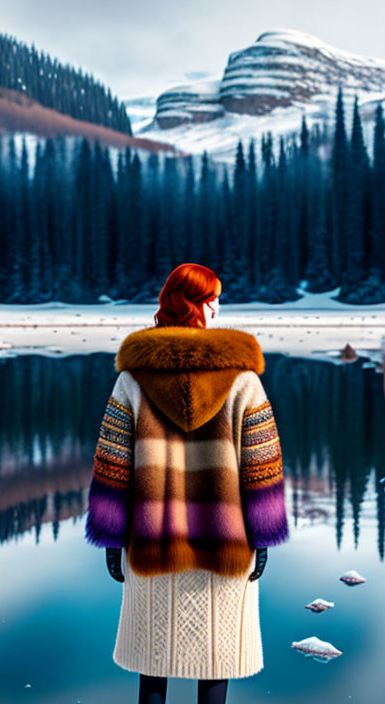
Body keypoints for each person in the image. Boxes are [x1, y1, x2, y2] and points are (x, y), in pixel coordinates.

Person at [85, 263, 289, 704]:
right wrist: (264, 534)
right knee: (215, 668)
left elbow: (112, 467)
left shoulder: (132, 381)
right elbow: (263, 466)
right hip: (227, 546)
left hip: (152, 543)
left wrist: (111, 538)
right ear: (194, 306)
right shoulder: (242, 381)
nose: (219, 307)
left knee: (152, 672)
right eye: (212, 299)